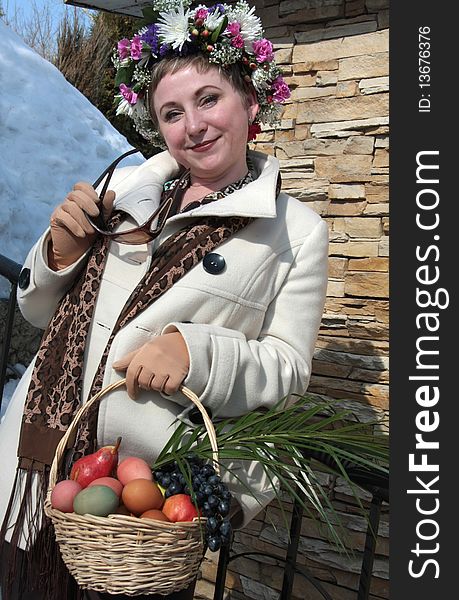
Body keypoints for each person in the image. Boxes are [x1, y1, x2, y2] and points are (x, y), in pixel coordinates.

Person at [0, 2, 329, 599]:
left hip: (143, 506)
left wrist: (195, 352)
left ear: (250, 103)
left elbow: (289, 366)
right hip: (34, 471)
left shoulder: (295, 231)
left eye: (209, 100)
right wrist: (60, 253)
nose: (192, 126)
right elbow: (41, 316)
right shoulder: (124, 191)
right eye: (171, 113)